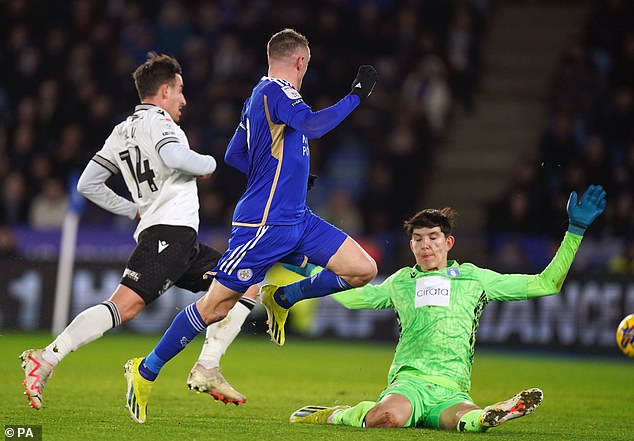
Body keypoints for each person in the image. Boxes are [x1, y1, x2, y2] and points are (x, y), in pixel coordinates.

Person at [123, 28, 379, 424]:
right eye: (306, 63)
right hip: (263, 223)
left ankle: (283, 298)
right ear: (300, 61)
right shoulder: (279, 92)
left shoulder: (257, 97)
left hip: (297, 217)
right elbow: (312, 126)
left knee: (363, 269)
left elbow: (234, 154)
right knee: (214, 305)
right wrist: (355, 96)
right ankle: (145, 370)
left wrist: (286, 174)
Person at [19, 52, 255, 411]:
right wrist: (207, 163)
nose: (184, 100)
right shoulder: (160, 123)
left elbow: (88, 183)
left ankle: (208, 365)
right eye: (179, 90)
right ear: (163, 91)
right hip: (168, 236)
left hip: (177, 238)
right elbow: (175, 158)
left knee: (244, 283)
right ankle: (47, 358)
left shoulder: (121, 131)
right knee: (123, 307)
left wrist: (131, 209)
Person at [290, 184, 606, 433]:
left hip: (452, 388)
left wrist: (574, 231)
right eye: (418, 239)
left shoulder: (475, 279)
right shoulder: (402, 281)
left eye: (433, 237)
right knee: (387, 417)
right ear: (411, 244)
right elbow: (353, 296)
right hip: (409, 383)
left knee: (468, 419)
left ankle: (491, 414)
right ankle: (337, 414)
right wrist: (307, 269)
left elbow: (545, 284)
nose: (425, 245)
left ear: (448, 243)